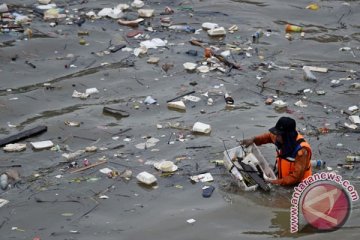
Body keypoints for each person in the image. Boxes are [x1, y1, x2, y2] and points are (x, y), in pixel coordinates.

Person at [240, 116, 312, 186]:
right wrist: (253, 139)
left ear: (286, 136)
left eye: (278, 135)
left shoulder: (302, 151)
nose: (276, 137)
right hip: (283, 178)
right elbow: (268, 137)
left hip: (300, 185)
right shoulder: (280, 137)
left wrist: (276, 182)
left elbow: (296, 178)